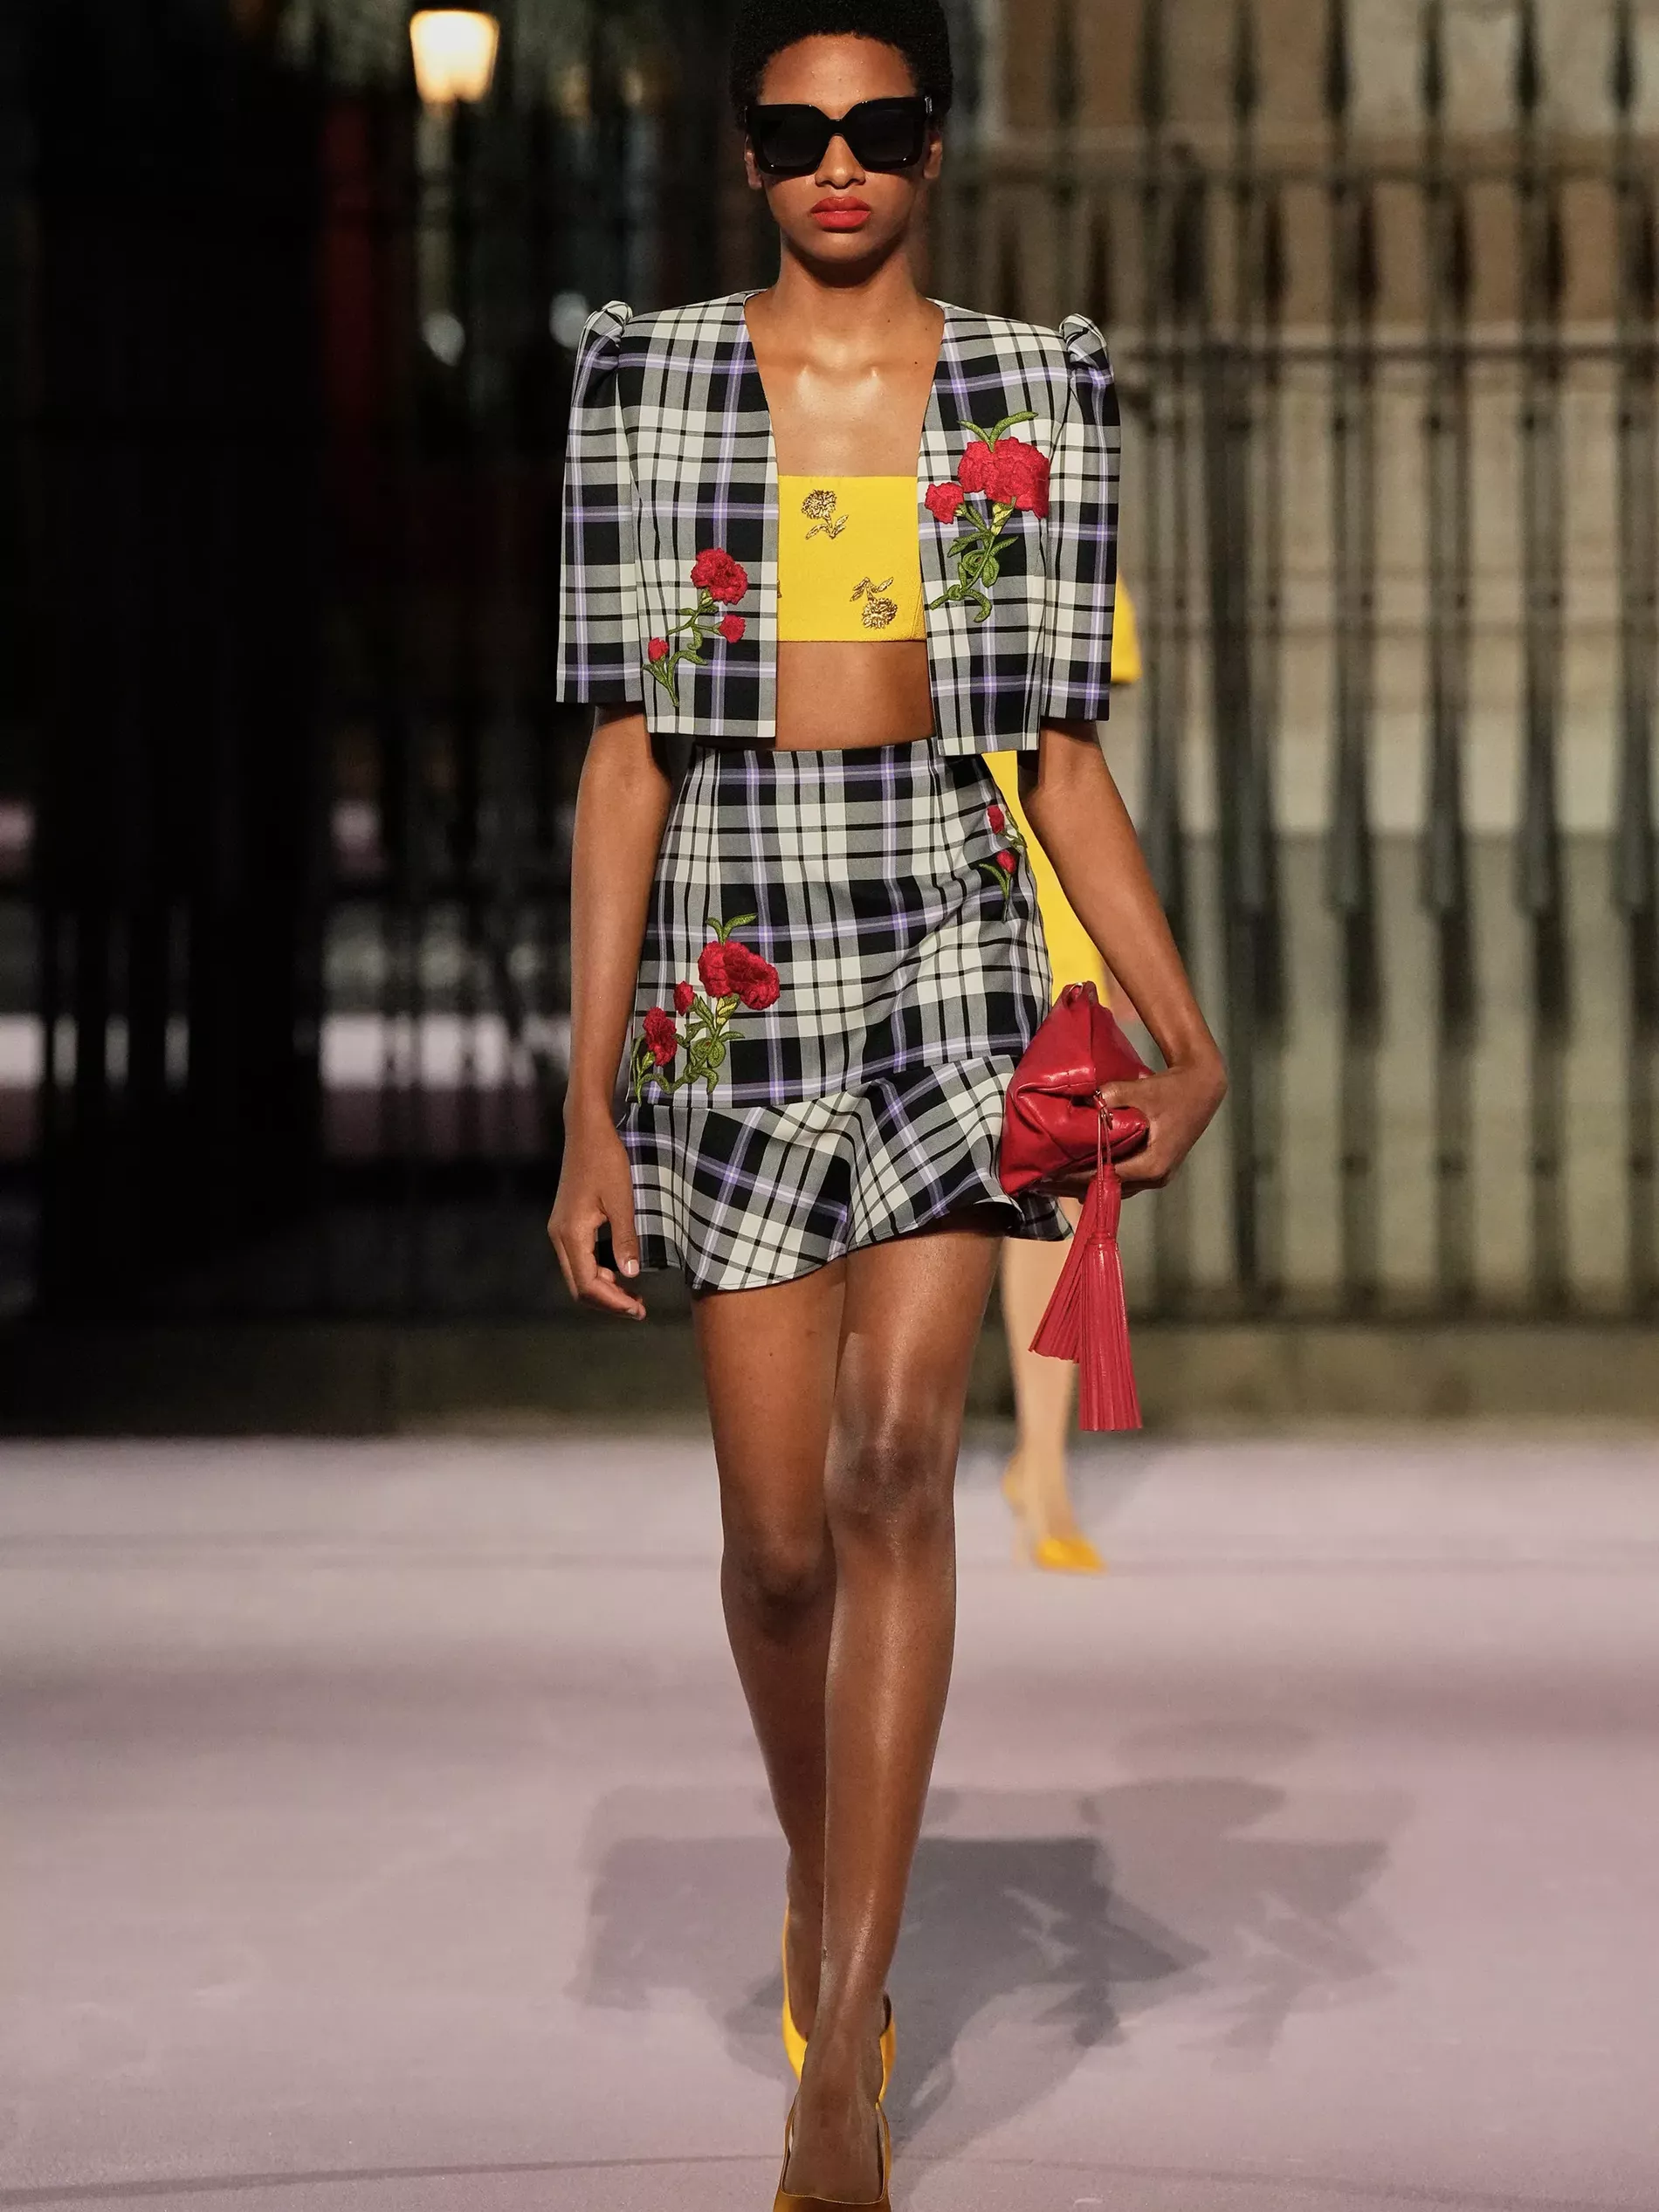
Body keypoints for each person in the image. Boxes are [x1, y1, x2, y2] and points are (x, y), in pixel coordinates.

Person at [547, 5, 1225, 2206]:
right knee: (771, 1548)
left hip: (945, 928)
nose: (834, 160)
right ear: (743, 156)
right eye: (793, 129)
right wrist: (587, 1111)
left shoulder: (1036, 385)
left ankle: (841, 2041)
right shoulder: (643, 383)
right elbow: (625, 758)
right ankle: (817, 1872)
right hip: (731, 948)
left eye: (877, 123)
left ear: (936, 144)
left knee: (893, 1463)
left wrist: (1183, 1030)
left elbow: (1054, 752)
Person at [990, 580, 1142, 1575]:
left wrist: (1117, 943)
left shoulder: (1072, 550)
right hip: (926, 900)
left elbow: (1085, 766)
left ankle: (1044, 1468)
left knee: (1055, 1205)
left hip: (1051, 909)